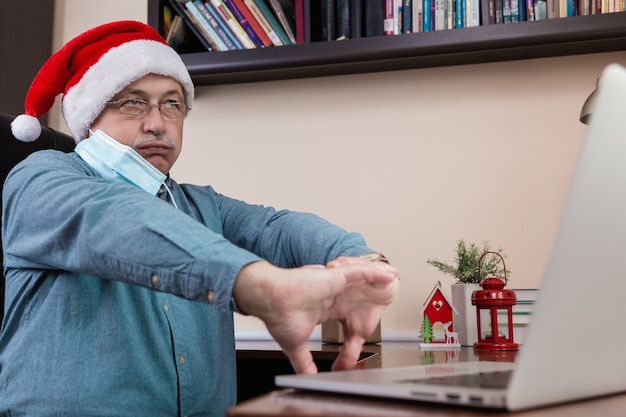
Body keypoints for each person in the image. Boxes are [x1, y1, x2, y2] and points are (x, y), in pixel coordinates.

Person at [0, 20, 399, 417]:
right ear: (88, 117)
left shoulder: (200, 204)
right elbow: (112, 218)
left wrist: (364, 267)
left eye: (172, 103)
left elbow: (278, 230)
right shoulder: (39, 178)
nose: (157, 123)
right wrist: (256, 285)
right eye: (133, 102)